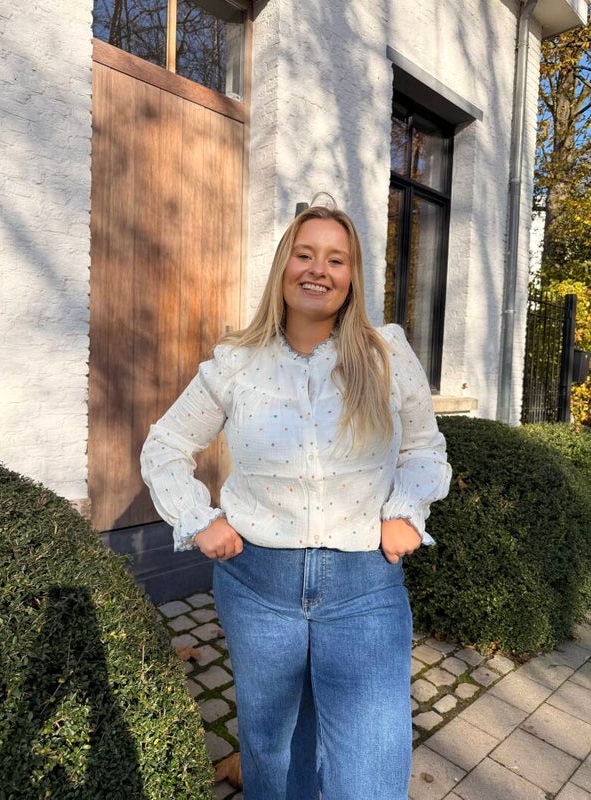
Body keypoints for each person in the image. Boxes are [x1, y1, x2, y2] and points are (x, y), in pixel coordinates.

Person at [140, 205, 451, 800]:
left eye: (337, 259)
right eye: (305, 254)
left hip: (364, 588)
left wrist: (408, 511)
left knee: (370, 774)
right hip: (258, 585)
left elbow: (423, 447)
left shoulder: (386, 355)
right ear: (284, 265)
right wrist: (198, 519)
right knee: (276, 757)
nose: (319, 269)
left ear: (353, 277)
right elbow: (165, 446)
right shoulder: (236, 364)